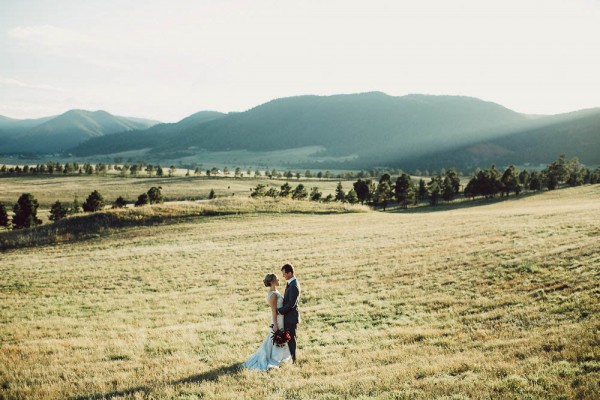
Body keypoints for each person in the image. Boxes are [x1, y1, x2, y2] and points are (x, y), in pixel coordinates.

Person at [242, 273, 292, 370]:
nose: (279, 280)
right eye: (277, 279)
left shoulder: (275, 291)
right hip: (277, 319)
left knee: (277, 339)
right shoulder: (273, 295)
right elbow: (274, 311)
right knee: (277, 338)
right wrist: (275, 325)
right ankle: (274, 358)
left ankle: (281, 357)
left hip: (281, 318)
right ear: (273, 281)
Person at [278, 263, 300, 363]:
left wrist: (280, 311)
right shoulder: (291, 283)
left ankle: (294, 359)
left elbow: (291, 304)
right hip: (288, 317)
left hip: (291, 318)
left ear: (290, 273)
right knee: (289, 338)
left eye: (284, 274)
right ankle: (291, 358)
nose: (283, 276)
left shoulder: (294, 286)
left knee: (291, 338)